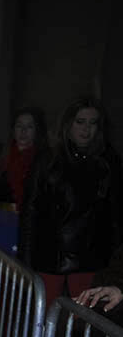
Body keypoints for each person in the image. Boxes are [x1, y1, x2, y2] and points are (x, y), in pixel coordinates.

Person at [21, 97, 123, 307]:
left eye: (92, 123)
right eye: (80, 122)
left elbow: (114, 214)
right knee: (43, 315)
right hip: (50, 256)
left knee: (83, 320)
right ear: (68, 124)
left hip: (90, 258)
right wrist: (26, 259)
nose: (86, 129)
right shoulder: (48, 159)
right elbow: (30, 211)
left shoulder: (107, 161)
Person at [0, 107, 47, 256]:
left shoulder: (42, 161)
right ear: (13, 129)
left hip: (25, 226)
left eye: (29, 127)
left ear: (36, 131)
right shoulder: (1, 158)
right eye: (19, 126)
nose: (23, 131)